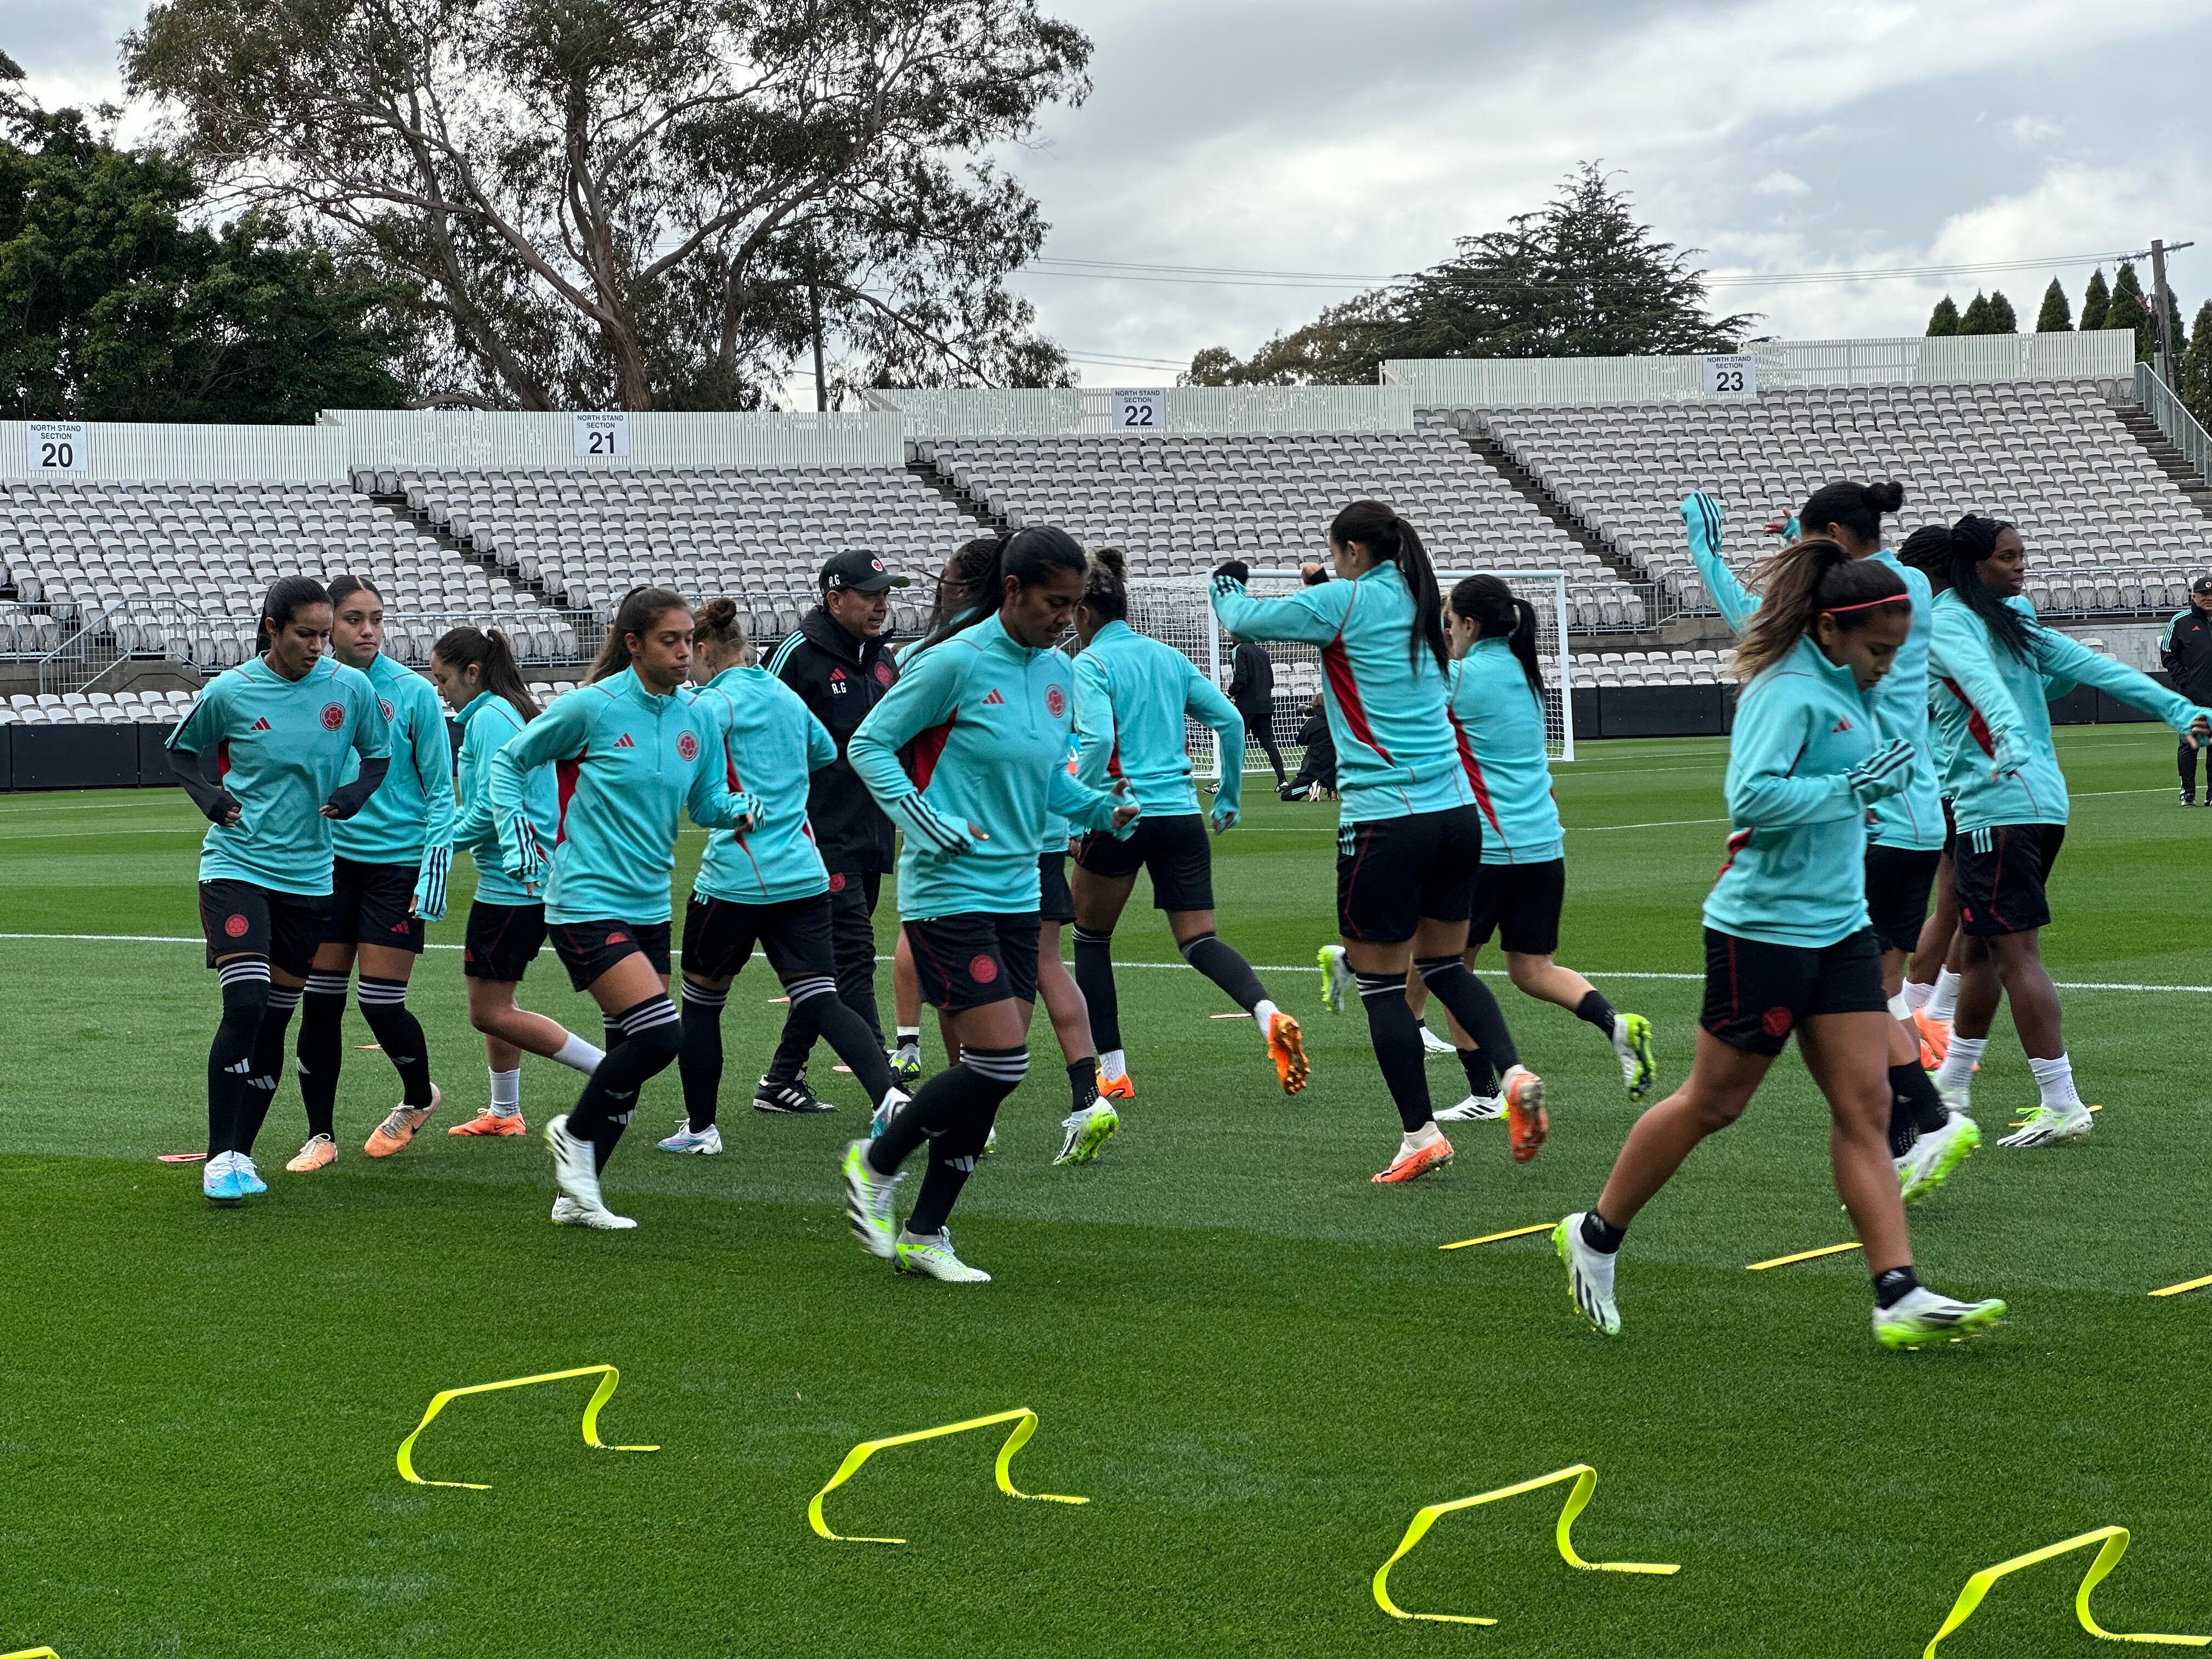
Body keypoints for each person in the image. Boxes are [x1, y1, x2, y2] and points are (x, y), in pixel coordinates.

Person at [1553, 539, 2007, 1348]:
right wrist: (1854, 789)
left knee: (1866, 1110)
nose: (1886, 666)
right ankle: (1595, 1235)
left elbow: (1842, 788)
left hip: (1839, 930)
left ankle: (1896, 1291)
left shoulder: (1847, 686)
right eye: (1878, 650)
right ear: (1831, 631)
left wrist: (1880, 785)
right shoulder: (1788, 691)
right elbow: (1753, 797)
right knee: (1714, 1104)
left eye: (1897, 653)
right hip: (1760, 931)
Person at [840, 526, 1139, 1284]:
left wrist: (1101, 810)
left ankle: (926, 1234)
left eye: (1074, 606)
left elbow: (1044, 785)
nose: (1065, 618)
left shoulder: (1059, 675)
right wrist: (925, 819)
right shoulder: (954, 664)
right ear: (1012, 591)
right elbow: (869, 745)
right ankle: (875, 1161)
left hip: (1016, 887)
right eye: (1052, 603)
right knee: (1002, 1064)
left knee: (987, 1074)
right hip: (949, 890)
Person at [1214, 501, 1543, 1184]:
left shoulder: (1349, 598)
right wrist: (1322, 585)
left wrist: (1227, 579)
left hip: (1385, 820)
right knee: (1449, 968)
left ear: (1355, 551)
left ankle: (1420, 1135)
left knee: (1382, 988)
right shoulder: (1422, 598)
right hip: (1456, 813)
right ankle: (1511, 1073)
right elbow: (1352, 626)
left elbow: (1243, 618)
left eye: (1335, 554)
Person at [1682, 484, 1988, 1203]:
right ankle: (1903, 1134)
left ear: (1829, 538)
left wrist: (1709, 556)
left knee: (1858, 995)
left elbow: (1759, 629)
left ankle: (1923, 1117)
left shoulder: (1844, 624)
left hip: (1870, 817)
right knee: (1870, 989)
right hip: (1915, 818)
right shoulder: (1906, 586)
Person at [1916, 516, 2212, 1146]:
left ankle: (2060, 1101)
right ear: (1975, 566)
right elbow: (2086, 667)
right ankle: (1952, 1089)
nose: (2022, 565)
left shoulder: (1956, 621)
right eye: (2009, 557)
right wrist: (2177, 708)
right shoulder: (2009, 618)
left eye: (2021, 555)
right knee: (1980, 946)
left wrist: (2011, 733)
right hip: (2040, 804)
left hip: (1997, 805)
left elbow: (1985, 684)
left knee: (2014, 954)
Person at [487, 586, 759, 1229]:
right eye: (670, 640)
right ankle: (574, 1136)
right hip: (584, 899)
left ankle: (577, 1197)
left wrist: (745, 810)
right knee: (662, 1033)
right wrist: (515, 833)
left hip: (647, 904)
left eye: (690, 640)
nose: (685, 652)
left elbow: (707, 805)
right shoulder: (593, 706)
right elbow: (509, 761)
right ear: (633, 644)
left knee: (628, 1059)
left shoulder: (698, 717)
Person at [165, 577, 390, 1205]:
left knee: (275, 1020)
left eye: (326, 634)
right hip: (237, 867)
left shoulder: (350, 689)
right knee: (244, 1005)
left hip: (310, 877)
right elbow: (183, 754)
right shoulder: (231, 690)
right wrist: (211, 797)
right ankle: (217, 1158)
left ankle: (242, 1153)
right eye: (307, 634)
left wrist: (354, 795)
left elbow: (377, 757)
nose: (320, 646)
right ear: (272, 628)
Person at [1400, 574, 1655, 1120]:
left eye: (1451, 622)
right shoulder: (1524, 671)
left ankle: (1488, 1094)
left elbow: (1406, 691)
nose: (1446, 631)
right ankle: (1615, 1023)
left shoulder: (1462, 676)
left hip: (1490, 849)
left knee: (1448, 968)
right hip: (1544, 844)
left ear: (1468, 625)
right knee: (1532, 968)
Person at [661, 599, 910, 1155]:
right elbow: (824, 751)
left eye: (688, 653)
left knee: (702, 1002)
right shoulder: (784, 695)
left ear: (702, 650)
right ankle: (889, 1100)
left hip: (736, 876)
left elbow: (696, 795)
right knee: (821, 995)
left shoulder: (709, 705)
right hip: (803, 870)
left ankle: (701, 1130)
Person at [1070, 545, 1307, 1106]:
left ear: (1083, 613)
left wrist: (1083, 807)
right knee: (1199, 939)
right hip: (1180, 813)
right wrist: (1226, 798)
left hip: (1124, 813)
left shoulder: (1089, 664)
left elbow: (1100, 741)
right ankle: (1266, 1011)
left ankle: (1113, 1071)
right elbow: (1227, 720)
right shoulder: (1169, 657)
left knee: (1090, 938)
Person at [285, 575, 458, 1172]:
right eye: (355, 619)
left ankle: (418, 1097)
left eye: (376, 619)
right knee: (321, 1004)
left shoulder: (410, 694)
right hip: (327, 866)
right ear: (327, 626)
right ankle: (319, 1136)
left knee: (382, 1004)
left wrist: (432, 872)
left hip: (396, 867)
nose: (368, 630)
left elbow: (441, 792)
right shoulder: (312, 689)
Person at [428, 626, 605, 1137]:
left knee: (488, 1011)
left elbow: (487, 810)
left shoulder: (490, 720)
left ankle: (611, 1073)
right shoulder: (510, 709)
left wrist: (436, 843)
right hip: (523, 879)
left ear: (473, 673)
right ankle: (504, 1112)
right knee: (497, 1003)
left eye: (445, 680)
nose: (442, 691)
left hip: (514, 884)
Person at [757, 550, 909, 1113]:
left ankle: (780, 1079)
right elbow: (755, 726)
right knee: (852, 958)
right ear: (834, 598)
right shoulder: (796, 656)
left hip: (870, 835)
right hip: (815, 839)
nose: (881, 604)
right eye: (869, 594)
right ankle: (889, 1089)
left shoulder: (884, 659)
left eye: (884, 594)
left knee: (825, 966)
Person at [2159, 576, 2212, 804]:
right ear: (2194, 597)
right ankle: (2188, 792)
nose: (2209, 598)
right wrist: (2185, 681)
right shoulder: (2181, 621)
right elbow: (2167, 653)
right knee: (2189, 744)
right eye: (2204, 595)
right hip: (2191, 696)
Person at [1228, 635, 1284, 789]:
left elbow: (1241, 678)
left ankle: (1228, 784)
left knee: (1236, 742)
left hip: (1246, 705)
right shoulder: (1262, 652)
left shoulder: (1239, 650)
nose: (1230, 637)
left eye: (1232, 634)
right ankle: (1283, 781)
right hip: (1265, 705)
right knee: (1268, 742)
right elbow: (1271, 681)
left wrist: (1229, 693)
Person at [1282, 693, 1337, 800]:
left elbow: (1301, 741)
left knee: (1286, 795)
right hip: (1334, 769)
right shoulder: (1338, 722)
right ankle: (1332, 789)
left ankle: (1309, 787)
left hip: (1313, 768)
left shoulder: (1313, 723)